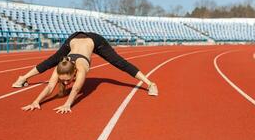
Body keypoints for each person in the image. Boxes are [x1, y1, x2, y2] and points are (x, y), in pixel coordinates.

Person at [14, 31, 158, 114]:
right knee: (50, 60)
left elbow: (76, 89)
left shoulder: (81, 69)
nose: (65, 83)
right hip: (74, 39)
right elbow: (50, 87)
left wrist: (67, 104)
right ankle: (23, 78)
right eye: (63, 81)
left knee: (119, 62)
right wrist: (35, 102)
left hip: (95, 41)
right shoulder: (62, 65)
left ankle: (150, 84)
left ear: (75, 71)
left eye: (67, 80)